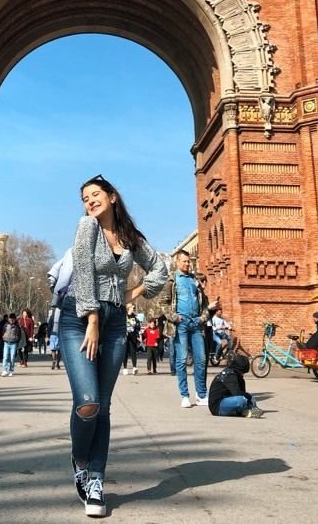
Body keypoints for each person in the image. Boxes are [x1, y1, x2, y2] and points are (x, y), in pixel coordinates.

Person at [59, 174, 167, 518]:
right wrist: (91, 318)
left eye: (95, 195)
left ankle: (96, 480)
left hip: (116, 322)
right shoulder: (86, 227)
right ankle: (79, 460)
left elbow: (159, 269)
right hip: (79, 319)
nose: (89, 201)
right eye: (84, 197)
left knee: (103, 407)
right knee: (88, 403)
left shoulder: (130, 237)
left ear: (112, 196)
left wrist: (134, 292)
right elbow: (84, 271)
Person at [158, 249, 209, 408]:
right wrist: (175, 318)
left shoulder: (195, 280)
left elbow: (205, 302)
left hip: (196, 323)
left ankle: (201, 395)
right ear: (177, 262)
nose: (187, 264)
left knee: (201, 359)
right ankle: (185, 396)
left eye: (189, 261)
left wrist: (203, 317)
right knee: (181, 360)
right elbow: (163, 303)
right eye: (184, 261)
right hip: (180, 324)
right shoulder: (171, 280)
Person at [122, 302, 140, 375]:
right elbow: (121, 325)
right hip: (126, 336)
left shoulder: (135, 317)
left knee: (133, 352)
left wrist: (138, 334)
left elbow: (138, 326)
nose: (134, 309)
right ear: (129, 308)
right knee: (125, 352)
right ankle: (125, 368)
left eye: (134, 308)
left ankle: (134, 367)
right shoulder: (124, 316)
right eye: (133, 307)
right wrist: (124, 331)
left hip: (133, 336)